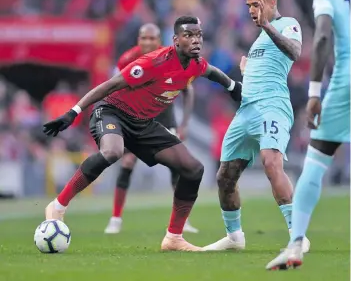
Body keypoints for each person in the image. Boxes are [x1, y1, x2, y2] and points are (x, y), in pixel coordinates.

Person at [43, 16, 242, 252]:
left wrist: (234, 88)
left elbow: (213, 73)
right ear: (176, 40)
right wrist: (73, 112)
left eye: (199, 35)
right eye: (189, 35)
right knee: (113, 152)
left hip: (143, 123)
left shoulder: (196, 64)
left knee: (193, 169)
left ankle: (173, 238)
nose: (196, 40)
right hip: (112, 112)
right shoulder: (154, 62)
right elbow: (110, 85)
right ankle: (58, 205)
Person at [203, 0, 310, 252]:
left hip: (272, 105)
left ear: (271, 2)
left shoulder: (288, 24)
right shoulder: (257, 41)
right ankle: (234, 236)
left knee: (271, 162)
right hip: (247, 110)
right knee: (225, 176)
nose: (252, 10)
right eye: (249, 5)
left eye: (256, 4)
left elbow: (295, 52)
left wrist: (267, 25)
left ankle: (297, 234)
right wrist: (246, 71)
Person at [266, 0, 350, 270]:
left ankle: (296, 243)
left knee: (316, 161)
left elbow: (324, 36)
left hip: (345, 84)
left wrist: (315, 93)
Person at [104, 23, 199, 234]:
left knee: (178, 165)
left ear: (159, 41)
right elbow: (117, 89)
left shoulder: (172, 57)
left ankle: (183, 220)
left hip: (164, 116)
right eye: (143, 38)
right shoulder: (127, 60)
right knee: (128, 161)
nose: (147, 42)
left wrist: (184, 123)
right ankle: (116, 218)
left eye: (151, 39)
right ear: (138, 40)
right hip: (136, 115)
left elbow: (188, 90)